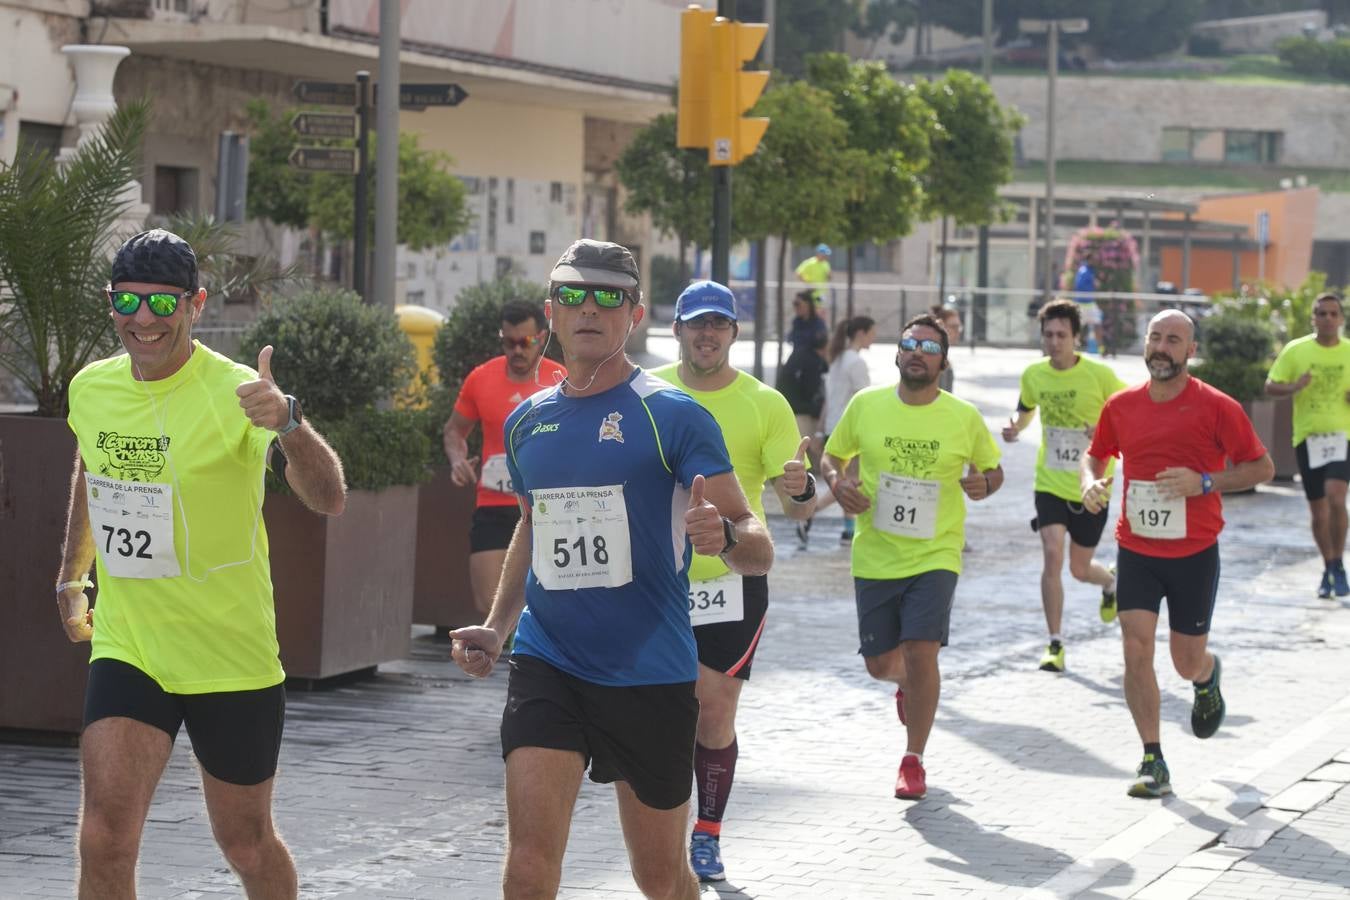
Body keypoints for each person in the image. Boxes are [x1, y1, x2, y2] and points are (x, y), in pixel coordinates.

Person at [448, 240, 772, 900]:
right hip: (550, 663)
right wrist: (497, 625)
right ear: (551, 315)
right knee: (529, 862)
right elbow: (535, 523)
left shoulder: (674, 415)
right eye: (573, 295)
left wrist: (725, 536)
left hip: (648, 672)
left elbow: (757, 545)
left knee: (659, 877)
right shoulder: (526, 421)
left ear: (636, 314)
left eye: (609, 297)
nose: (589, 309)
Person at [54, 229, 347, 898]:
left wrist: (292, 424)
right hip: (133, 645)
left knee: (245, 844)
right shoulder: (92, 388)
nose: (144, 320)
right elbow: (90, 470)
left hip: (228, 653)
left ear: (196, 304)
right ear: (111, 304)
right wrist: (73, 574)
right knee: (104, 840)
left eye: (162, 303)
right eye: (127, 301)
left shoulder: (239, 392)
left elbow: (329, 498)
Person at [652, 280, 817, 882]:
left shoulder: (764, 404)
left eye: (718, 325)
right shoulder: (649, 393)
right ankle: (664, 825)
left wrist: (800, 489)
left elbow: (797, 508)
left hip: (732, 576)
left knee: (713, 711)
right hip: (655, 582)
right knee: (663, 709)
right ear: (676, 331)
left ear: (733, 334)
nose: (707, 334)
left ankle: (707, 833)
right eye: (696, 324)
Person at [1081, 310, 1273, 799]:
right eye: (1155, 338)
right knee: (1135, 647)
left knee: (1184, 660)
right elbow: (1095, 452)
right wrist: (1091, 481)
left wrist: (1204, 481)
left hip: (1194, 553)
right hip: (1136, 548)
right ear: (1144, 344)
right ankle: (1153, 759)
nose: (1162, 348)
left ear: (1190, 350)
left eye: (1174, 340)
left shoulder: (1217, 407)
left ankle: (1206, 677)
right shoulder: (1121, 405)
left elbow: (1261, 467)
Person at [821, 314, 1003, 801]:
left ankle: (913, 759)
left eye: (928, 346)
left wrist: (984, 484)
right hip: (876, 554)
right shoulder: (867, 406)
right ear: (897, 353)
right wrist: (838, 485)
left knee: (923, 651)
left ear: (943, 361)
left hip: (936, 552)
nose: (917, 352)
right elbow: (831, 456)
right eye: (909, 343)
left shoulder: (963, 416)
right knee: (881, 665)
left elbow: (993, 471)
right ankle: (908, 684)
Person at [1002, 299, 1126, 673]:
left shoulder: (1100, 376)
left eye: (1062, 335)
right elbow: (1024, 412)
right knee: (1052, 554)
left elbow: (1129, 412)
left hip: (1093, 484)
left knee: (1079, 569)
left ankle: (1109, 584)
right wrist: (1014, 428)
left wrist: (1103, 430)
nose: (1054, 342)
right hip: (1050, 480)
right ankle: (1054, 643)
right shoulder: (1034, 374)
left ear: (1076, 338)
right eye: (1049, 335)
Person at [444, 300, 566, 620]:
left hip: (545, 506)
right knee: (488, 602)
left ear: (541, 338)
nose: (517, 351)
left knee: (542, 602)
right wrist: (457, 459)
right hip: (493, 504)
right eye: (509, 342)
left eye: (525, 342)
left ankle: (527, 663)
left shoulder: (560, 379)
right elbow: (454, 431)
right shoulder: (481, 378)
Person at [1264, 292, 1350, 599]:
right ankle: (1328, 565)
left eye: (1333, 313)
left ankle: (1339, 563)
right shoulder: (1296, 350)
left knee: (1336, 496)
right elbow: (1270, 385)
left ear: (1341, 319)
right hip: (1307, 438)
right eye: (1321, 313)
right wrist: (1295, 386)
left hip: (1343, 436)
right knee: (1318, 511)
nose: (1327, 318)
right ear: (1313, 318)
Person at [777, 291, 830, 548]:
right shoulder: (800, 336)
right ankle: (805, 517)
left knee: (809, 466)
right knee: (805, 465)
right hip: (800, 406)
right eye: (794, 304)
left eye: (799, 304)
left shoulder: (814, 336)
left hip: (804, 404)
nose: (795, 308)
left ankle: (806, 516)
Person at [822, 315, 877, 543]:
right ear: (861, 333)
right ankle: (809, 513)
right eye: (872, 332)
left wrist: (819, 430)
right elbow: (866, 399)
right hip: (850, 430)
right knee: (848, 481)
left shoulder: (838, 359)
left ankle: (848, 529)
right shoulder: (856, 362)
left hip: (832, 425)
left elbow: (828, 398)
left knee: (847, 479)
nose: (874, 337)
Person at [930, 306, 962, 393]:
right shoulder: (933, 359)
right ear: (940, 326)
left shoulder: (943, 357)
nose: (958, 331)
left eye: (959, 327)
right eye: (954, 326)